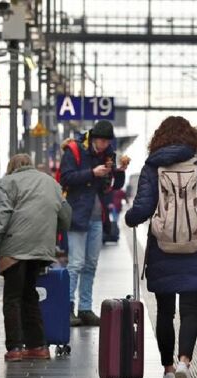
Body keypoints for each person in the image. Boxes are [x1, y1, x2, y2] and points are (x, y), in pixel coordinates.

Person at [125, 116, 197, 378]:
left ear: (159, 139)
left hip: (162, 249)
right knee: (190, 312)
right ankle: (184, 362)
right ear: (191, 138)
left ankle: (168, 371)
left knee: (165, 313)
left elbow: (142, 209)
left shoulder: (152, 168)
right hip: (194, 249)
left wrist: (130, 218)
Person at [0, 154, 72, 362]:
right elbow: (66, 218)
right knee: (30, 295)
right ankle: (38, 346)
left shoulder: (6, 183)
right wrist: (50, 233)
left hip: (15, 248)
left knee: (12, 298)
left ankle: (15, 348)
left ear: (11, 167)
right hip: (41, 248)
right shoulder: (51, 183)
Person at [60, 120, 128, 326]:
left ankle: (85, 308)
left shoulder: (109, 155)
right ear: (93, 138)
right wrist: (92, 173)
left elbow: (114, 186)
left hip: (98, 216)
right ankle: (67, 308)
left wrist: (120, 170)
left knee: (90, 264)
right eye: (101, 141)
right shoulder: (74, 150)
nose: (104, 145)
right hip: (78, 214)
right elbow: (65, 178)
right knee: (76, 263)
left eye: (107, 142)